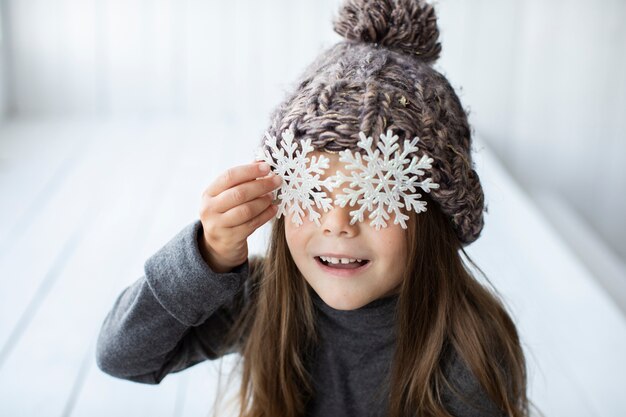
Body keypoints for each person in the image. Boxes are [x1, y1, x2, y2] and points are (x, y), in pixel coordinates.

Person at [96, 1, 533, 416]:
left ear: (435, 215)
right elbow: (122, 355)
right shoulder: (267, 299)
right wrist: (206, 260)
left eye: (373, 191)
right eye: (312, 192)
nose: (338, 223)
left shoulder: (470, 346)